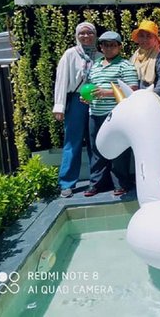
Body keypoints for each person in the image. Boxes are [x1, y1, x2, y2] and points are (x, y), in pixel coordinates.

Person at [85, 31, 139, 197]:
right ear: (100, 47)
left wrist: (105, 93)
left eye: (113, 45)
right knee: (96, 149)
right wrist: (85, 97)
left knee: (119, 150)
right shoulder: (94, 66)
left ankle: (121, 183)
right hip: (95, 113)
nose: (108, 48)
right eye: (105, 45)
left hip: (116, 115)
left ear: (119, 47)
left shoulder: (125, 65)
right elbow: (89, 86)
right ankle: (96, 183)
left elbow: (132, 90)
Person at [53, 22, 100, 198]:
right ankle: (67, 183)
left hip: (96, 100)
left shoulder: (100, 55)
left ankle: (96, 181)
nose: (86, 36)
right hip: (75, 100)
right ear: (77, 35)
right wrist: (60, 106)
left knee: (95, 141)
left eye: (89, 33)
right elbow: (61, 80)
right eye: (82, 33)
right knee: (73, 141)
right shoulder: (70, 54)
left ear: (94, 35)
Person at [130, 20, 160, 105]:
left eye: (148, 36)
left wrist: (152, 98)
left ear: (155, 39)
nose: (145, 39)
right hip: (136, 100)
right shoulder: (134, 56)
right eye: (141, 36)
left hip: (155, 103)